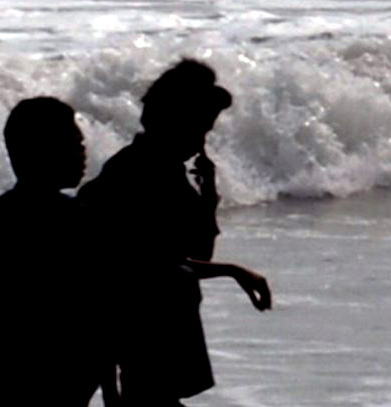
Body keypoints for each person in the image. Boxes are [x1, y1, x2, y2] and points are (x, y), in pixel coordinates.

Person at [77, 60, 271, 406]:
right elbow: (147, 266)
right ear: (174, 120)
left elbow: (189, 255)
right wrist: (231, 270)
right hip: (132, 330)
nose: (201, 143)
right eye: (199, 130)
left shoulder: (163, 171)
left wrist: (208, 202)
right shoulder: (139, 173)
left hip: (143, 336)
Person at [0, 97, 117, 407]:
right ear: (43, 151)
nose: (83, 152)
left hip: (5, 382)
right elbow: (99, 316)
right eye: (73, 143)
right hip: (68, 380)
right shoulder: (81, 222)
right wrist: (111, 395)